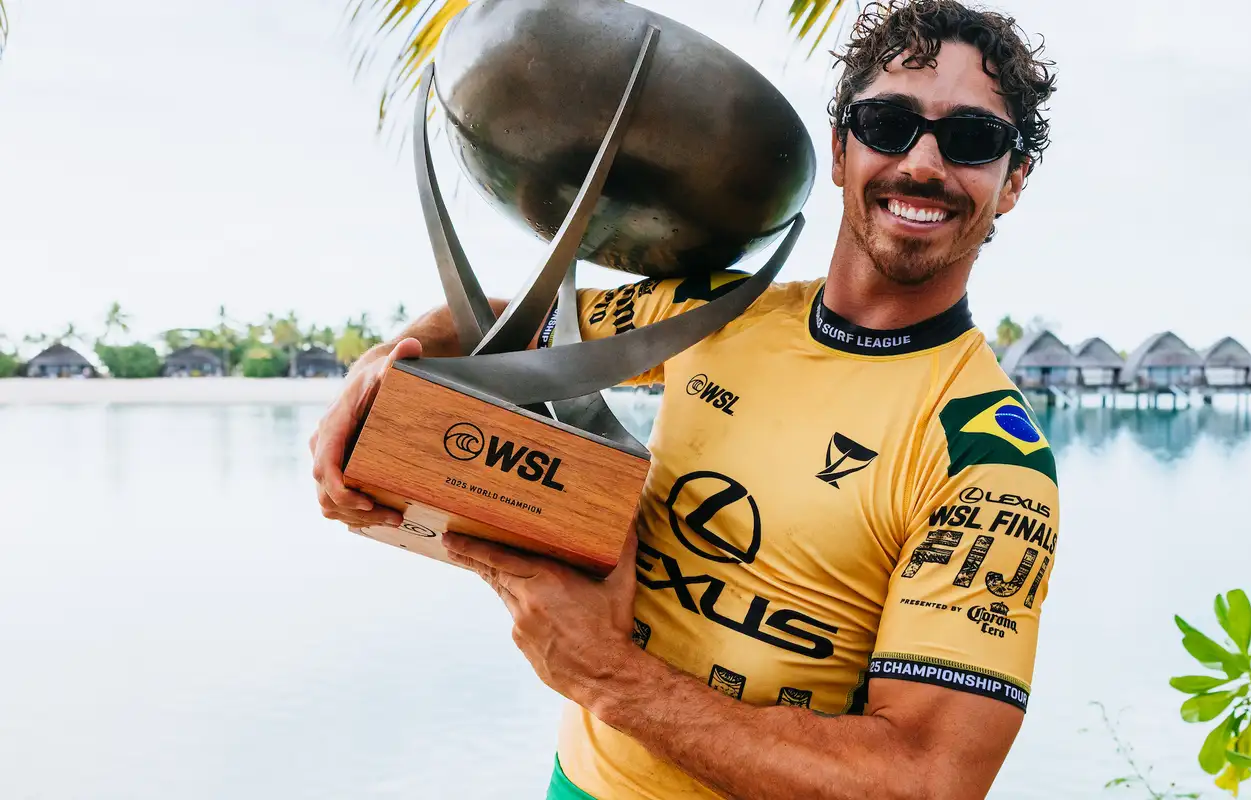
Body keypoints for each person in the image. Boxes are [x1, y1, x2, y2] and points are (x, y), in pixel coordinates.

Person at [310, 1, 1060, 797]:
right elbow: (496, 331)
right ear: (842, 149)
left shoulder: (986, 457)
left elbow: (927, 779)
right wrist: (376, 374)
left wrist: (606, 675)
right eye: (889, 124)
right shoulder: (721, 312)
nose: (924, 163)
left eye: (973, 138)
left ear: (1012, 181)